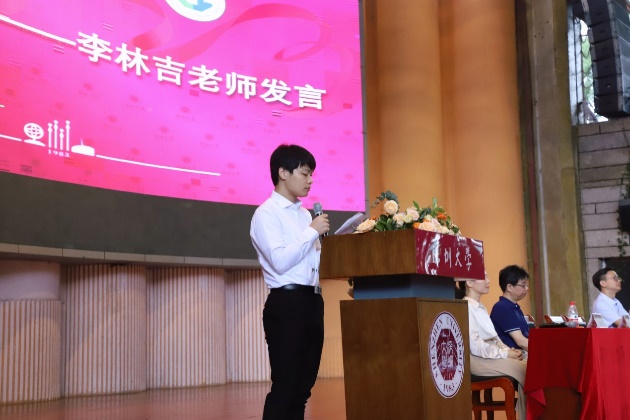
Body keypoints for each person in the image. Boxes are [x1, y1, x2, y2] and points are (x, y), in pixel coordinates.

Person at [250, 144, 330, 420]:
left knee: (302, 390)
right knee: (285, 388)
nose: (310, 180)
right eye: (305, 174)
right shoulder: (266, 213)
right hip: (286, 304)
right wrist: (311, 232)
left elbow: (311, 262)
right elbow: (280, 261)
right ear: (283, 173)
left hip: (312, 302)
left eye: (311, 175)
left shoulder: (305, 215)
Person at [456, 273, 527, 420]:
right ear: (469, 283)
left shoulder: (481, 307)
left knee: (529, 362)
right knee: (525, 369)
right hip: (477, 359)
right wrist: (505, 354)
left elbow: (495, 338)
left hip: (491, 353)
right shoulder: (465, 307)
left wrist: (508, 350)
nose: (488, 281)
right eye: (484, 277)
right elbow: (476, 345)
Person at [490, 265, 531, 351]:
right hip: (513, 355)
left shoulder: (515, 308)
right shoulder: (502, 308)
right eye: (523, 285)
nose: (526, 288)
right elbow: (521, 342)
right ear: (509, 287)